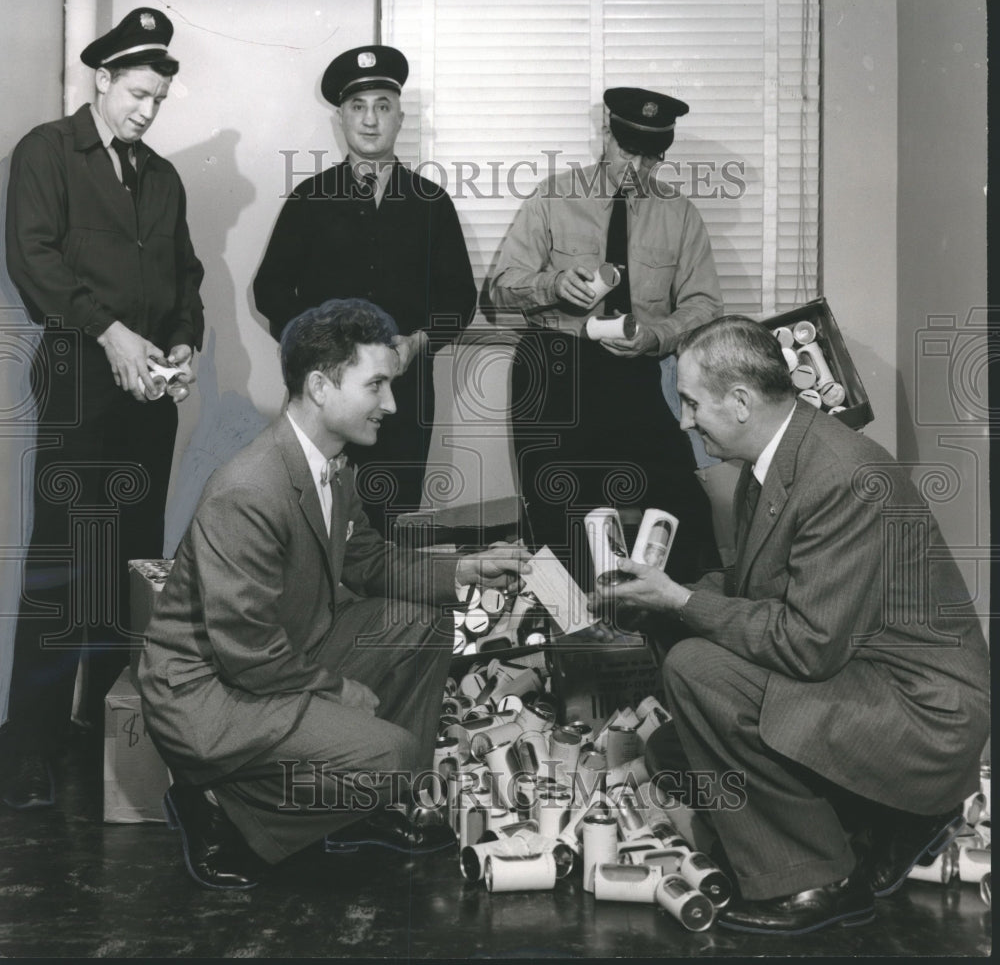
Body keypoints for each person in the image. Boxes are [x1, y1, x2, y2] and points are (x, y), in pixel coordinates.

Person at [597, 316, 990, 935]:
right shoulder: (780, 456)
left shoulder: (840, 473)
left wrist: (680, 601)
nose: (684, 420)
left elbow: (807, 647)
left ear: (742, 402)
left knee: (695, 669)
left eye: (691, 402)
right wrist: (663, 598)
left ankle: (813, 879)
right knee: (672, 754)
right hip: (865, 679)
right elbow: (764, 589)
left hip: (922, 715)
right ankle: (881, 818)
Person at [137, 299, 529, 890]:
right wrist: (341, 691)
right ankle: (217, 806)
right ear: (321, 387)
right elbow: (247, 653)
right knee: (393, 757)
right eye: (377, 385)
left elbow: (367, 558)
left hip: (284, 650)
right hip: (210, 693)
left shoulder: (331, 463)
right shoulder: (248, 490)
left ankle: (356, 807)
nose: (391, 404)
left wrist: (466, 572)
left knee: (425, 623)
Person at [2, 9, 204, 810]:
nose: (148, 111)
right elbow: (34, 259)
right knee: (62, 564)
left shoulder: (161, 176)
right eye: (138, 94)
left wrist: (182, 344)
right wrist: (111, 333)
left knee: (126, 564)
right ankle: (30, 749)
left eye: (158, 100)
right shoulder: (46, 151)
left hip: (148, 391)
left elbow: (184, 279)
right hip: (81, 379)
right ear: (101, 79)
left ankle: (106, 732)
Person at [489, 86, 723, 588]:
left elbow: (704, 306)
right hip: (556, 367)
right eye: (626, 150)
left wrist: (657, 335)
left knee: (682, 502)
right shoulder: (553, 198)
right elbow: (499, 292)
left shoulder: (680, 215)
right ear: (605, 135)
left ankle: (673, 624)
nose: (635, 167)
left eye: (651, 157)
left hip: (638, 373)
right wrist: (551, 285)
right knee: (559, 510)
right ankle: (570, 635)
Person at [253, 45, 477, 538]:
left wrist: (418, 343)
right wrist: (318, 352)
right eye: (358, 107)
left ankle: (387, 618)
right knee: (320, 523)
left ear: (400, 117)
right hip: (324, 397)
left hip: (405, 394)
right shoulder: (310, 198)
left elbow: (460, 298)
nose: (370, 120)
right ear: (341, 119)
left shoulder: (431, 203)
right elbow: (269, 288)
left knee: (395, 526)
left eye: (382, 106)